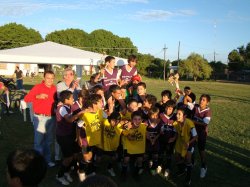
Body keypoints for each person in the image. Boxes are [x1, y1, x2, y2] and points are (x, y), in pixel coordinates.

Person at [24, 71, 57, 167]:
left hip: (51, 117)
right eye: (48, 78)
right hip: (40, 117)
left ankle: (47, 160)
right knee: (39, 141)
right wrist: (37, 96)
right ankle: (38, 163)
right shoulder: (38, 87)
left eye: (52, 78)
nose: (50, 80)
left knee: (49, 141)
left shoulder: (54, 88)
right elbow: (26, 98)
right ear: (44, 78)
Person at [55, 90, 84, 185]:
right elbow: (70, 120)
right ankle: (59, 175)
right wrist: (81, 113)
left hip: (69, 134)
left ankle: (66, 172)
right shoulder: (62, 108)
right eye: (71, 98)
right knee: (68, 158)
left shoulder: (68, 106)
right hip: (63, 136)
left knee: (73, 156)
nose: (73, 99)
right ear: (66, 99)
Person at [78, 94, 104, 176]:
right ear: (94, 104)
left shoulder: (100, 111)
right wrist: (79, 138)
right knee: (87, 158)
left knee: (97, 158)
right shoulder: (85, 114)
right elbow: (78, 127)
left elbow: (109, 118)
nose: (102, 103)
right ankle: (81, 172)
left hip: (98, 140)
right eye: (100, 102)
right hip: (88, 141)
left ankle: (91, 172)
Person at [173, 107, 197, 186]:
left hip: (190, 142)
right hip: (180, 142)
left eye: (179, 114)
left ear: (185, 116)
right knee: (177, 157)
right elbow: (176, 133)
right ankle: (182, 170)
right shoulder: (176, 123)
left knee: (188, 158)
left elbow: (195, 137)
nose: (177, 115)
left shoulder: (190, 123)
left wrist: (188, 143)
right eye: (177, 113)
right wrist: (173, 138)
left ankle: (188, 177)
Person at [121, 111, 147, 178]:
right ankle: (124, 172)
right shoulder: (127, 127)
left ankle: (136, 173)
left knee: (140, 160)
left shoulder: (144, 126)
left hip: (139, 148)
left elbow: (148, 131)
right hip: (129, 147)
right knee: (126, 159)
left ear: (141, 120)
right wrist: (127, 126)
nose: (137, 121)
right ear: (132, 119)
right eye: (135, 119)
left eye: (139, 119)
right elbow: (129, 137)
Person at [97, 112, 123, 177]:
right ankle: (95, 169)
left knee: (113, 158)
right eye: (113, 120)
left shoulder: (121, 126)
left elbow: (130, 125)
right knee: (98, 159)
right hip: (102, 145)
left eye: (117, 121)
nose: (115, 123)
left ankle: (109, 168)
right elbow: (100, 112)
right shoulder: (105, 121)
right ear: (110, 119)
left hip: (112, 147)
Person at [192, 94, 212, 178]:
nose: (201, 101)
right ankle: (191, 163)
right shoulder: (195, 106)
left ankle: (204, 166)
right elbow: (186, 101)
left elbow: (204, 123)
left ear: (207, 102)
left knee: (201, 150)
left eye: (204, 100)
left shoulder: (208, 111)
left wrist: (192, 121)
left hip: (201, 133)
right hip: (193, 131)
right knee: (191, 148)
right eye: (200, 99)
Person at [158, 100, 177, 178]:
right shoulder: (160, 115)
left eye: (170, 109)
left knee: (169, 154)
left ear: (173, 109)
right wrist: (160, 131)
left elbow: (177, 129)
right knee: (161, 152)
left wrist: (174, 138)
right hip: (162, 139)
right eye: (166, 108)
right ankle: (159, 165)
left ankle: (167, 168)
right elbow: (157, 125)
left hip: (171, 140)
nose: (167, 110)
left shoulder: (175, 117)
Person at [145, 107, 162, 176]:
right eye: (153, 115)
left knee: (155, 155)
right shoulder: (146, 122)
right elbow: (145, 132)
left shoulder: (159, 122)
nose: (154, 117)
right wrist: (150, 139)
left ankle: (153, 168)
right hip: (148, 141)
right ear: (149, 115)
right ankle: (144, 167)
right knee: (146, 155)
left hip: (156, 141)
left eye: (156, 115)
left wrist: (154, 139)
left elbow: (159, 133)